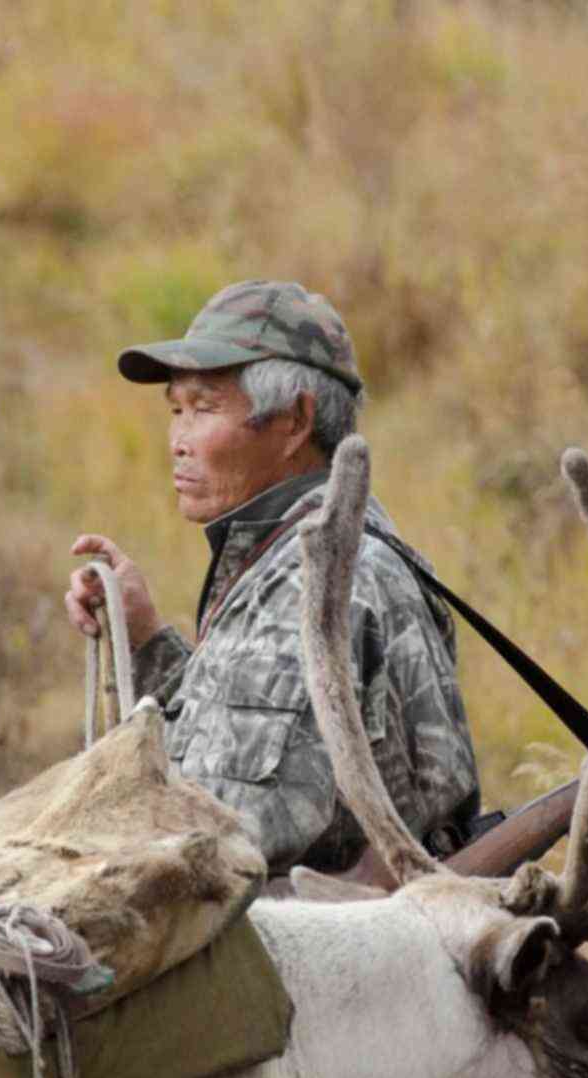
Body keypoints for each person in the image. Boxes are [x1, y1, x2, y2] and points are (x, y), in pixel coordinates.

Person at [62, 279, 479, 876]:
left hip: (309, 959)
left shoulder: (322, 580)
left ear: (293, 422)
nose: (178, 442)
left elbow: (220, 836)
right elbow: (246, 754)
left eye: (204, 409)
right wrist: (146, 638)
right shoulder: (300, 555)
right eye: (175, 411)